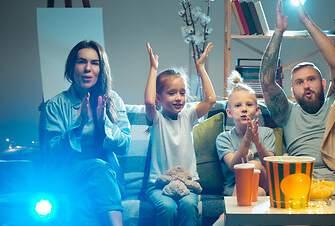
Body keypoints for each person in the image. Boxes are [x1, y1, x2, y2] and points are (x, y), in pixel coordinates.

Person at [259, 0, 335, 226]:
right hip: (301, 180)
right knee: (299, 212)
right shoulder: (286, 112)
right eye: (299, 82)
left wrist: (305, 21)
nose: (306, 85)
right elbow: (266, 81)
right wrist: (279, 31)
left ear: (324, 84)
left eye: (311, 79)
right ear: (292, 90)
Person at [43, 40, 130, 226]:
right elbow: (51, 155)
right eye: (81, 62)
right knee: (97, 167)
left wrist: (103, 121)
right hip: (68, 173)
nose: (87, 68)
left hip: (105, 181)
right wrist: (80, 124)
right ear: (72, 67)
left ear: (102, 68)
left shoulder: (113, 100)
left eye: (95, 63)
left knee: (85, 206)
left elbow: (124, 146)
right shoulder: (54, 106)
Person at [144, 42, 216, 226]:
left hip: (188, 183)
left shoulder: (188, 116)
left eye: (182, 93)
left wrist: (200, 67)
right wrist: (153, 68)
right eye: (172, 93)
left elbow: (211, 100)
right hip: (158, 185)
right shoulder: (157, 120)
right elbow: (149, 102)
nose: (179, 98)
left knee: (188, 205)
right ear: (159, 98)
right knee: (167, 207)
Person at [213, 70, 276, 226]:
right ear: (229, 112)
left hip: (263, 182)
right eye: (238, 105)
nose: (244, 109)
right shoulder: (223, 138)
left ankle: (226, 218)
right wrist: (247, 139)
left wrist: (256, 139)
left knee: (254, 165)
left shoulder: (267, 133)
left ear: (257, 110)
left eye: (249, 105)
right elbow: (234, 166)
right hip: (235, 190)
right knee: (258, 193)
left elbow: (270, 165)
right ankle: (232, 216)